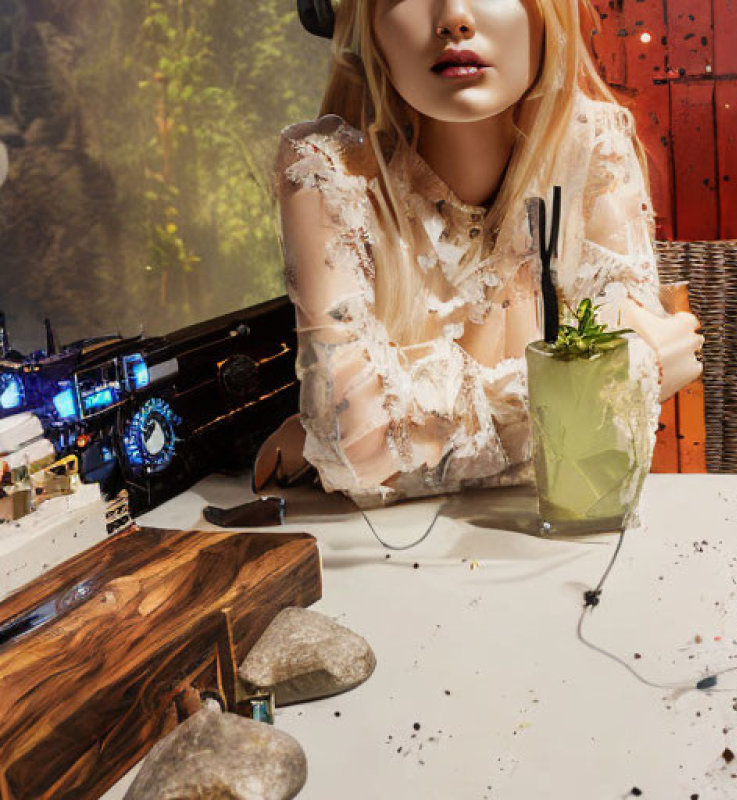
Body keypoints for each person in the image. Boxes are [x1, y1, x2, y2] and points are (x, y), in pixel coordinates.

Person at [254, 0, 703, 508]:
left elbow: (621, 423)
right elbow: (356, 442)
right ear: (369, 27)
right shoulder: (329, 169)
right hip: (377, 554)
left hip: (557, 538)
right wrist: (581, 386)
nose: (454, 18)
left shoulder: (595, 148)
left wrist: (409, 427)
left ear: (547, 13)